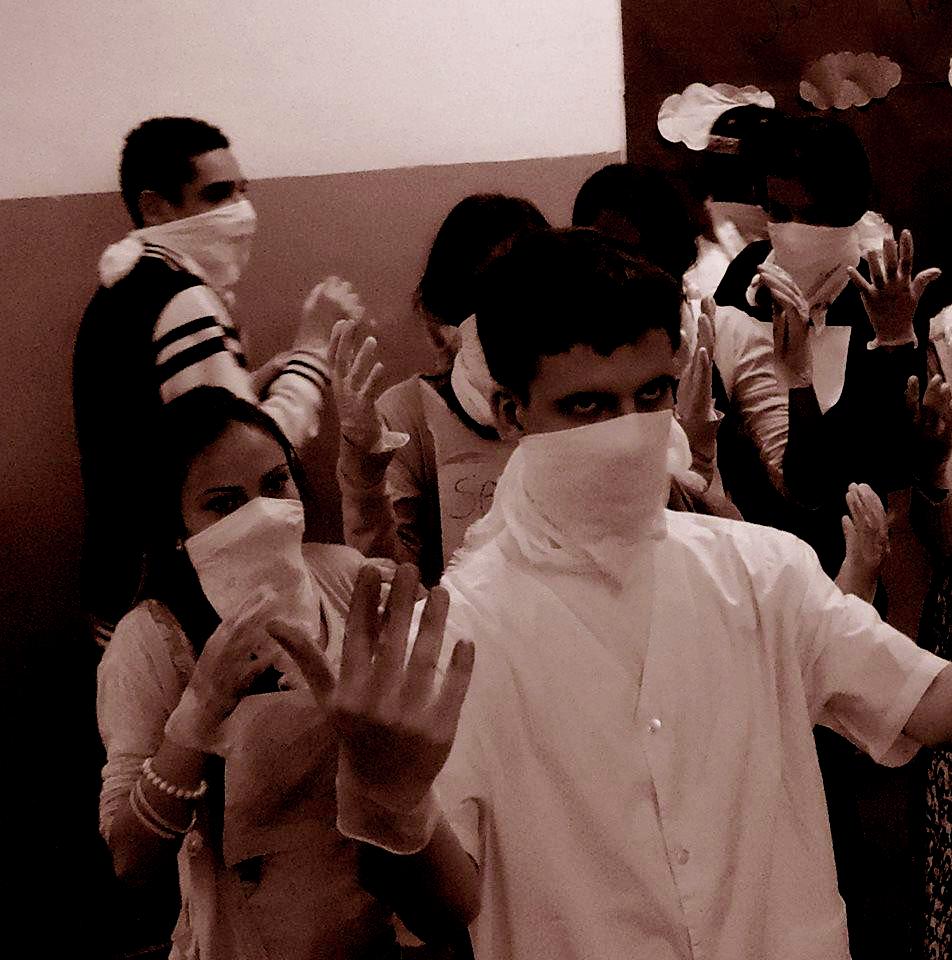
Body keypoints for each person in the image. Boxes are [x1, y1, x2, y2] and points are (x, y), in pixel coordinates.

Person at [277, 228, 952, 960]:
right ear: (511, 414)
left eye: (650, 395)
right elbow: (447, 908)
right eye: (588, 406)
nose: (628, 432)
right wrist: (392, 800)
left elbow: (923, 701)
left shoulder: (762, 571)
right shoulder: (463, 630)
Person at [96, 386, 405, 959]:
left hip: (386, 929)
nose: (259, 514)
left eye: (275, 484)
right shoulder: (153, 640)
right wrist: (199, 711)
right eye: (223, 503)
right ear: (178, 528)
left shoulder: (343, 578)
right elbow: (130, 862)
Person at [74, 116, 360, 646]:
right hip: (182, 600)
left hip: (123, 583)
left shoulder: (125, 285)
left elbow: (166, 421)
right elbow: (252, 456)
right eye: (217, 194)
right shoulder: (183, 300)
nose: (240, 211)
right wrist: (313, 346)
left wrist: (252, 382)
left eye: (242, 191)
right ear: (155, 207)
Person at [335, 194, 550, 586]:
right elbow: (388, 576)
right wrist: (365, 467)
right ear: (447, 321)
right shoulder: (406, 416)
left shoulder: (575, 398)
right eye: (484, 302)